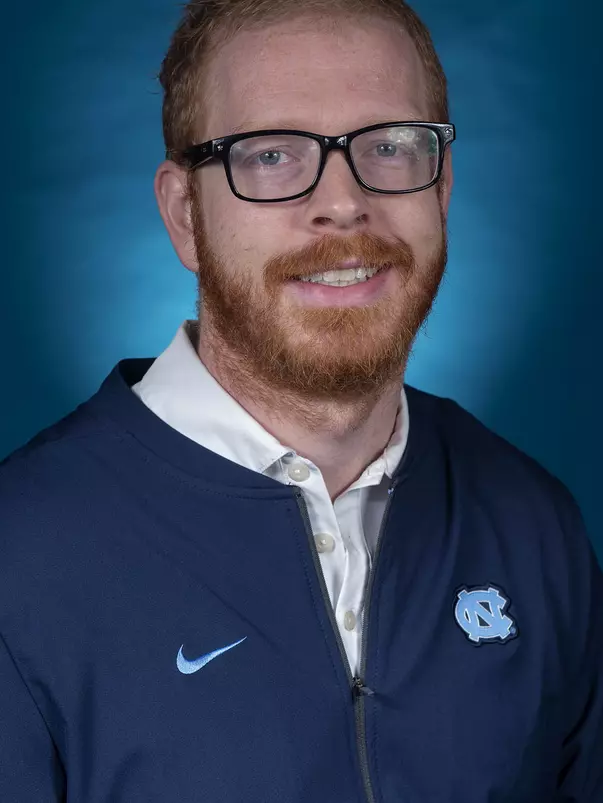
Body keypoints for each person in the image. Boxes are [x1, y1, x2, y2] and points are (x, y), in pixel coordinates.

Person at [0, 0, 601, 800]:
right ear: (186, 215)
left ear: (443, 186)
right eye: (273, 155)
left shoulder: (533, 522)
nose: (344, 203)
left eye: (388, 146)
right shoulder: (20, 556)